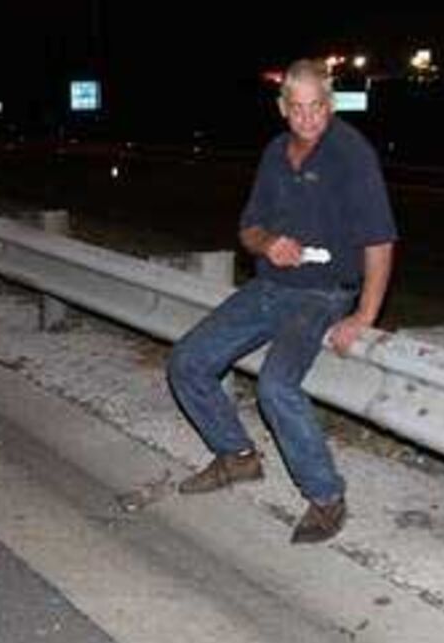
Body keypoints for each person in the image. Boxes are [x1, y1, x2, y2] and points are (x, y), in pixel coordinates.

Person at [167, 58, 396, 544]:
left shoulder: (351, 155)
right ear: (282, 107)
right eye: (298, 108)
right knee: (187, 361)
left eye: (318, 107)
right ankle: (238, 457)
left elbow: (379, 241)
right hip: (270, 286)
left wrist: (365, 314)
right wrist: (267, 243)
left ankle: (326, 497)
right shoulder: (275, 153)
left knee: (276, 385)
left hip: (323, 294)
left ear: (329, 105)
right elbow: (248, 228)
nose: (309, 118)